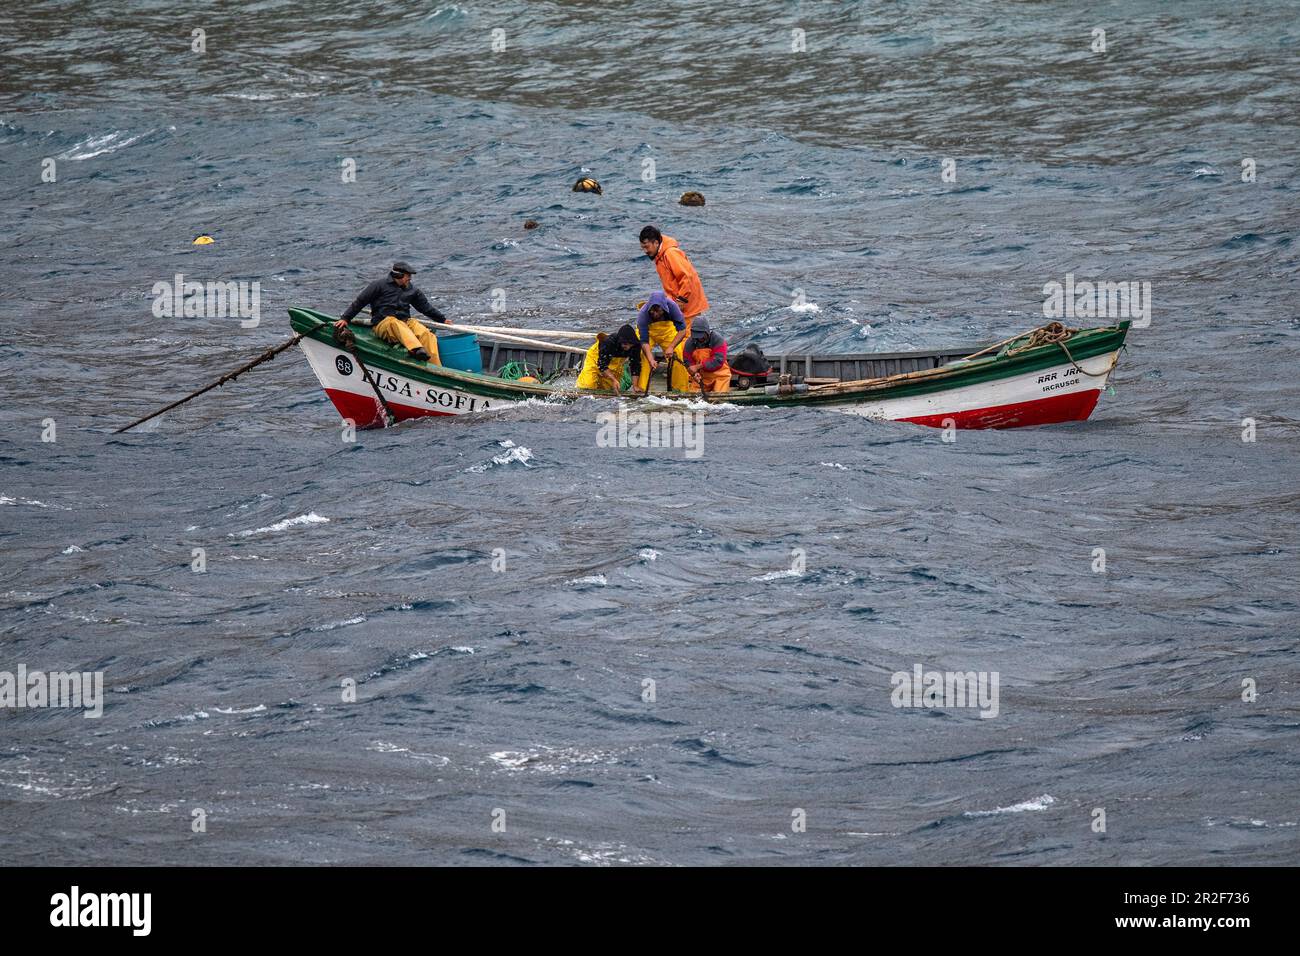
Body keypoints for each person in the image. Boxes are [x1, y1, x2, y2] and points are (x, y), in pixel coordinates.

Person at [334, 261, 452, 363]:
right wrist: (345, 318)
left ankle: (435, 366)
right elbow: (360, 301)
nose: (410, 279)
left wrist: (443, 319)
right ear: (398, 275)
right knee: (394, 322)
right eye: (408, 276)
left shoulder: (413, 290)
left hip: (405, 323)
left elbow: (425, 307)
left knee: (424, 332)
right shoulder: (378, 285)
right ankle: (416, 350)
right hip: (383, 324)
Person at [639, 226, 709, 327]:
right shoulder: (660, 257)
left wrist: (681, 300)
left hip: (688, 308)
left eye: (647, 247)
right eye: (643, 248)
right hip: (680, 307)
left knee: (687, 339)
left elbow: (687, 277)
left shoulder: (670, 253)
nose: (645, 251)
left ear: (656, 243)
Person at [634, 291, 691, 392]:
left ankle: (680, 389)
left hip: (666, 331)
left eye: (658, 311)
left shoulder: (673, 307)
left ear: (664, 308)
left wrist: (671, 347)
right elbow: (644, 341)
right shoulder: (643, 314)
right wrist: (651, 359)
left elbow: (682, 330)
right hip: (649, 333)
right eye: (652, 311)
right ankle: (642, 389)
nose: (655, 314)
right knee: (642, 355)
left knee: (677, 353)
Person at [576, 324, 642, 392]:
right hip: (595, 357)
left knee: (607, 389)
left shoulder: (636, 346)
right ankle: (581, 380)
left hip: (614, 362)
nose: (628, 347)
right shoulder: (610, 342)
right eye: (625, 344)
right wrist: (613, 379)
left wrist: (635, 386)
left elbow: (635, 365)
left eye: (630, 344)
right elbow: (602, 365)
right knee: (588, 385)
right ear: (619, 341)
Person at [682, 316, 731, 393]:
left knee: (719, 397)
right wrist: (694, 373)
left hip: (720, 376)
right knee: (692, 397)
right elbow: (687, 361)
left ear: (707, 332)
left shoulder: (718, 340)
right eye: (696, 336)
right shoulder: (690, 342)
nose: (699, 339)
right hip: (702, 378)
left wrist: (698, 366)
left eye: (701, 336)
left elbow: (718, 361)